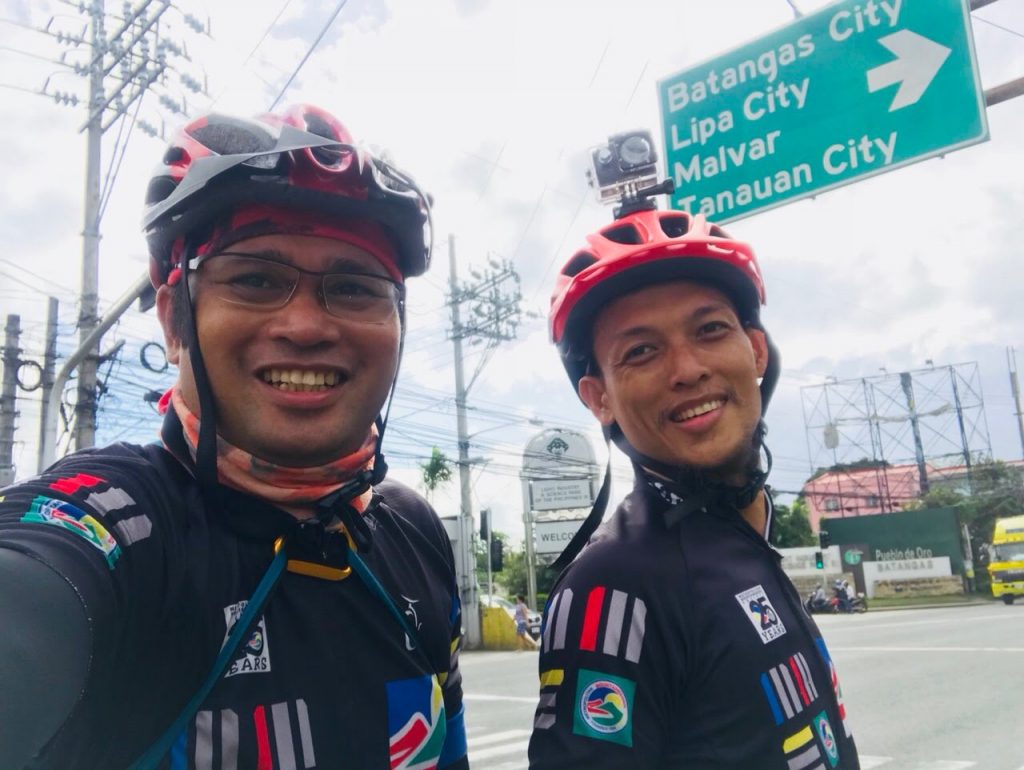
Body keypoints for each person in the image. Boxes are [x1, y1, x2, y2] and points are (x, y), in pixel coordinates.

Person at [0, 105, 468, 770]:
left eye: (355, 287)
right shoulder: (117, 523)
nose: (305, 326)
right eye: (255, 279)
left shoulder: (414, 530)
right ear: (173, 320)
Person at [528, 204, 860, 768]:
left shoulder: (741, 539)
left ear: (755, 350)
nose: (686, 368)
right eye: (641, 351)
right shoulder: (615, 582)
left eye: (709, 330)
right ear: (599, 398)